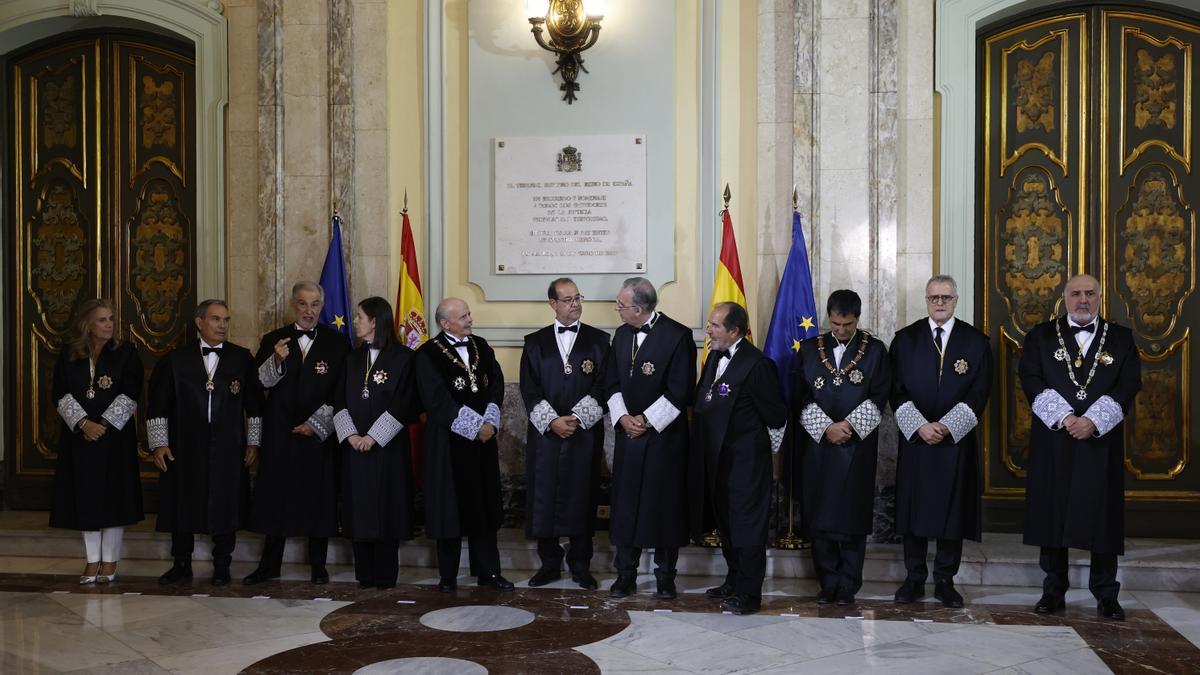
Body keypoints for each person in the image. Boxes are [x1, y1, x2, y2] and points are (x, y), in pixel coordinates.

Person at [1019, 274, 1141, 621]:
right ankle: (1053, 591)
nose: (1083, 300)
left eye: (1090, 294)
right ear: (1065, 297)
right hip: (1055, 438)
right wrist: (1065, 418)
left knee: (1102, 517)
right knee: (1052, 512)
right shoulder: (1040, 336)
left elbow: (1129, 383)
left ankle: (1106, 594)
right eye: (1076, 294)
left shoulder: (1121, 338)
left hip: (1100, 442)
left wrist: (1094, 421)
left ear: (1101, 298)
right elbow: (1030, 378)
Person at [890, 275, 992, 608]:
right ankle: (914, 578)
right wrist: (919, 426)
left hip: (955, 443)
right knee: (913, 512)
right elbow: (895, 389)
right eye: (934, 297)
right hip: (917, 441)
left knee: (953, 513)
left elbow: (979, 392)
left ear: (956, 300)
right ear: (926, 299)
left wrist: (947, 426)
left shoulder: (976, 342)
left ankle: (945, 580)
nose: (939, 303)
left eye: (946, 297)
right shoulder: (905, 340)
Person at [148, 299, 263, 586]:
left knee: (226, 504)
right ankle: (181, 563)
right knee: (182, 502)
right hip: (184, 446)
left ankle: (222, 565)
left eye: (226, 320)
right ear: (200, 322)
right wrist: (159, 444)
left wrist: (253, 443)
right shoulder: (175, 360)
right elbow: (157, 406)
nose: (222, 325)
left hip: (228, 446)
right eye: (215, 319)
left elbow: (256, 406)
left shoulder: (242, 358)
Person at [245, 281, 350, 585]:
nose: (309, 311)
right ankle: (269, 565)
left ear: (322, 305)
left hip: (319, 434)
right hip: (280, 432)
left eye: (315, 304)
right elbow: (258, 385)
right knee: (276, 495)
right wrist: (276, 360)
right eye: (303, 304)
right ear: (293, 305)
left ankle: (318, 564)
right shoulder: (273, 339)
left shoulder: (337, 343)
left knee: (319, 497)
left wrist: (317, 424)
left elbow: (342, 391)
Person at [793, 289, 890, 605]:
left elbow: (879, 396)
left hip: (856, 449)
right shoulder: (809, 349)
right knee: (820, 516)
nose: (840, 330)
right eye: (835, 323)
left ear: (857, 319)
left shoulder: (875, 350)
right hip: (819, 448)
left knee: (851, 516)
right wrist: (826, 428)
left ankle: (848, 585)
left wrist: (847, 428)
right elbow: (800, 396)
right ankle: (827, 582)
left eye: (847, 324)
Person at [604, 277, 696, 599]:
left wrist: (646, 420)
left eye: (621, 305)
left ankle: (665, 576)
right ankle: (625, 574)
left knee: (663, 507)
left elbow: (681, 389)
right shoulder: (620, 334)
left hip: (663, 439)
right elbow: (611, 383)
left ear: (639, 309)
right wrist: (624, 418)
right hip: (629, 435)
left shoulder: (678, 336)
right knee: (626, 505)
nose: (616, 308)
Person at [693, 302, 787, 615]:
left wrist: (766, 457)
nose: (708, 330)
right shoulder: (714, 357)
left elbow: (776, 415)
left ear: (735, 331)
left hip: (746, 464)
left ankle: (750, 593)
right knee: (728, 526)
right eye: (709, 323)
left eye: (715, 325)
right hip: (716, 461)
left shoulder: (757, 365)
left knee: (747, 529)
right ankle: (733, 580)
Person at [415, 297, 513, 592]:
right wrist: (475, 428)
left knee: (484, 507)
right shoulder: (427, 355)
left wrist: (490, 424)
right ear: (445, 323)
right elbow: (437, 400)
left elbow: (496, 384)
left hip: (483, 445)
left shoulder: (481, 345)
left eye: (469, 314)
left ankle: (489, 573)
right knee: (449, 511)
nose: (470, 319)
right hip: (448, 445)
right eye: (464, 316)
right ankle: (448, 576)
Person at [520, 278, 609, 590]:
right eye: (568, 299)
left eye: (577, 298)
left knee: (581, 495)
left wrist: (577, 418)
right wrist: (552, 421)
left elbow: (604, 385)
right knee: (545, 496)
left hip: (583, 433)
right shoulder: (534, 342)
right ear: (552, 304)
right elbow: (528, 389)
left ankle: (581, 565)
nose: (575, 304)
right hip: (546, 434)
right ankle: (549, 564)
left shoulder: (600, 341)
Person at [50, 299, 144, 584]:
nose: (109, 324)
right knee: (86, 497)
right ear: (87, 325)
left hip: (114, 437)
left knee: (113, 498)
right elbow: (60, 393)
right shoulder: (69, 354)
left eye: (111, 319)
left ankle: (110, 560)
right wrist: (83, 424)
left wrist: (102, 425)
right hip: (80, 438)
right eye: (102, 319)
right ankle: (92, 561)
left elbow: (131, 393)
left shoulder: (126, 352)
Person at [332, 297, 417, 589]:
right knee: (359, 508)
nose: (355, 321)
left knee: (386, 508)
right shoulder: (352, 358)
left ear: (375, 322)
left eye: (359, 317)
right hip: (355, 448)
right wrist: (353, 436)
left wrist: (373, 437)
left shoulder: (404, 357)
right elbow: (339, 400)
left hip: (388, 448)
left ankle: (384, 575)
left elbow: (404, 402)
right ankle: (364, 575)